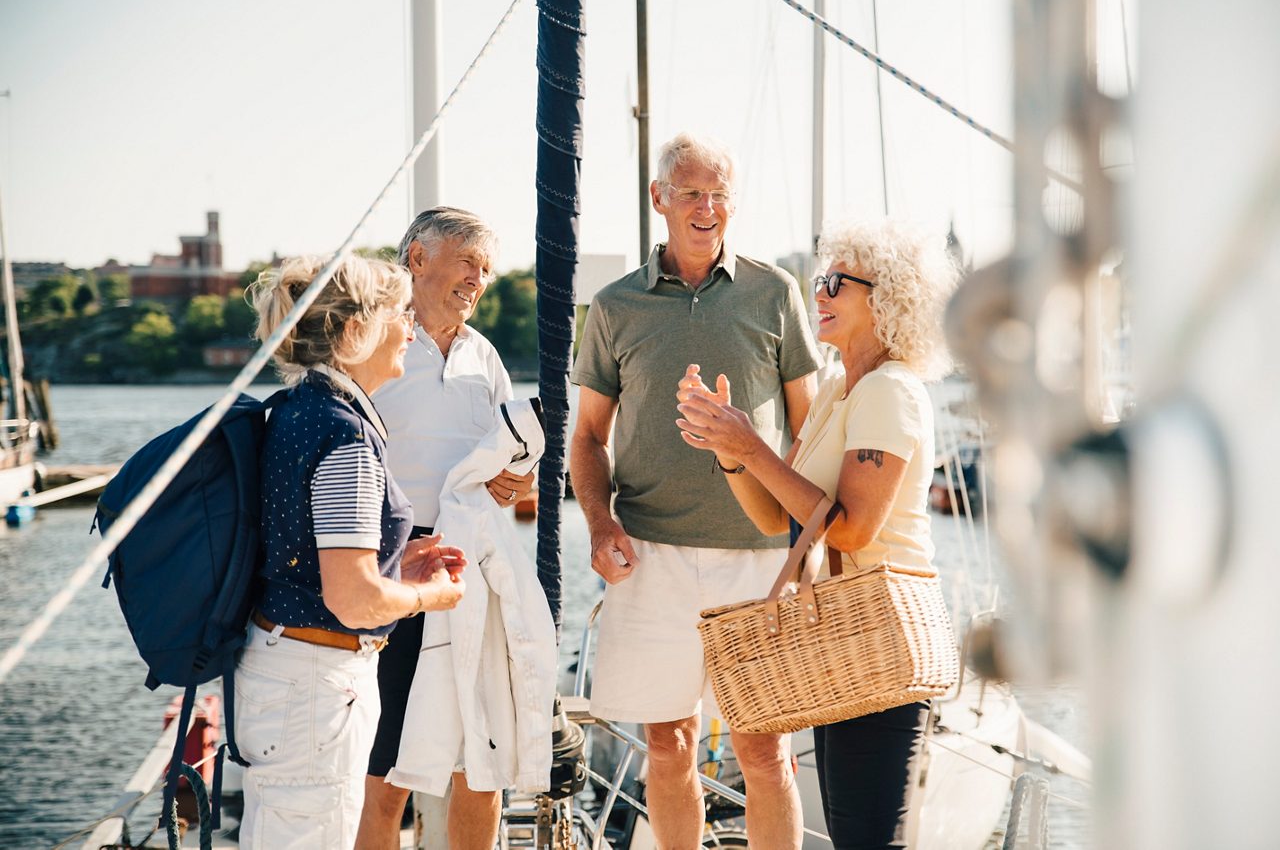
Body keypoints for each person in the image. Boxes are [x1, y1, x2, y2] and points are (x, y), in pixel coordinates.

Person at [570, 132, 822, 849]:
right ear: (660, 199)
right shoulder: (615, 306)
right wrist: (597, 524)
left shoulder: (775, 292)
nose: (707, 207)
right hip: (650, 558)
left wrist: (800, 547)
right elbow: (587, 438)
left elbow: (809, 428)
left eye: (719, 194)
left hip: (758, 563)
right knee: (670, 746)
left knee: (764, 754)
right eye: (691, 192)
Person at [675, 217, 959, 849]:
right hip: (838, 632)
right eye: (818, 280)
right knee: (854, 832)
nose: (819, 293)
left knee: (866, 838)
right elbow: (779, 516)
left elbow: (852, 531)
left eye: (836, 282)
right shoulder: (837, 390)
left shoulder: (890, 392)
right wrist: (730, 449)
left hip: (880, 633)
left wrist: (754, 445)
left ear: (885, 298)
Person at [236, 254, 467, 850]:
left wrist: (396, 563)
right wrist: (429, 595)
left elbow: (313, 554)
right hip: (316, 686)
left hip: (285, 670)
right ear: (353, 330)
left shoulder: (299, 410)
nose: (411, 329)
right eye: (400, 315)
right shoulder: (345, 436)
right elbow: (353, 598)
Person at [356, 207, 535, 850]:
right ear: (417, 260)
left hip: (468, 572)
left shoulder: (485, 358)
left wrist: (517, 483)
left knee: (478, 762)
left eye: (485, 269)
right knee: (384, 768)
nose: (477, 280)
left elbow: (510, 467)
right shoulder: (374, 346)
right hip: (393, 570)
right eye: (467, 262)